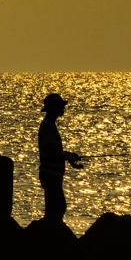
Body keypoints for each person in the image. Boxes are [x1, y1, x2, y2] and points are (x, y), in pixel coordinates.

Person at [38, 93, 82, 221]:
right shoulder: (48, 127)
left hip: (53, 175)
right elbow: (51, 152)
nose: (63, 109)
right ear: (54, 108)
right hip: (50, 175)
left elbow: (54, 151)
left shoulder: (50, 125)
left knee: (57, 208)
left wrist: (69, 155)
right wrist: (68, 158)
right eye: (61, 106)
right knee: (56, 209)